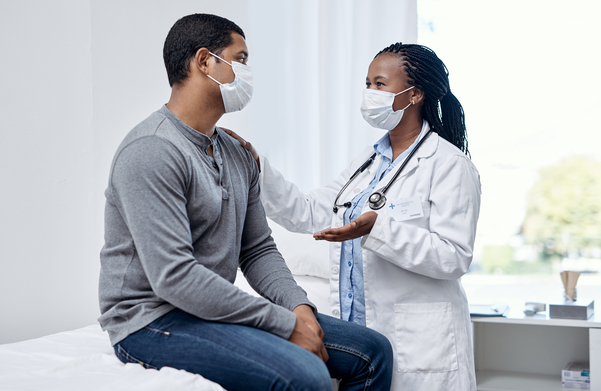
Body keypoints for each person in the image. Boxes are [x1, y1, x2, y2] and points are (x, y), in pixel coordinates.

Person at [98, 13, 393, 391]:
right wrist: (285, 325)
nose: (247, 71)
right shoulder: (152, 150)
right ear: (205, 62)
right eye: (241, 59)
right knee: (305, 375)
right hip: (152, 320)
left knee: (373, 351)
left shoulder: (236, 154)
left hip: (206, 312)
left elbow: (257, 249)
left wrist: (300, 309)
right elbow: (174, 277)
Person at [228, 43, 481, 390]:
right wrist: (258, 167)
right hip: (362, 338)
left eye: (380, 84)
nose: (370, 94)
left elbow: (454, 257)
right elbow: (309, 211)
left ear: (414, 94)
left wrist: (379, 229)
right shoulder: (368, 161)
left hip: (420, 344)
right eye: (367, 84)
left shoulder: (450, 164)